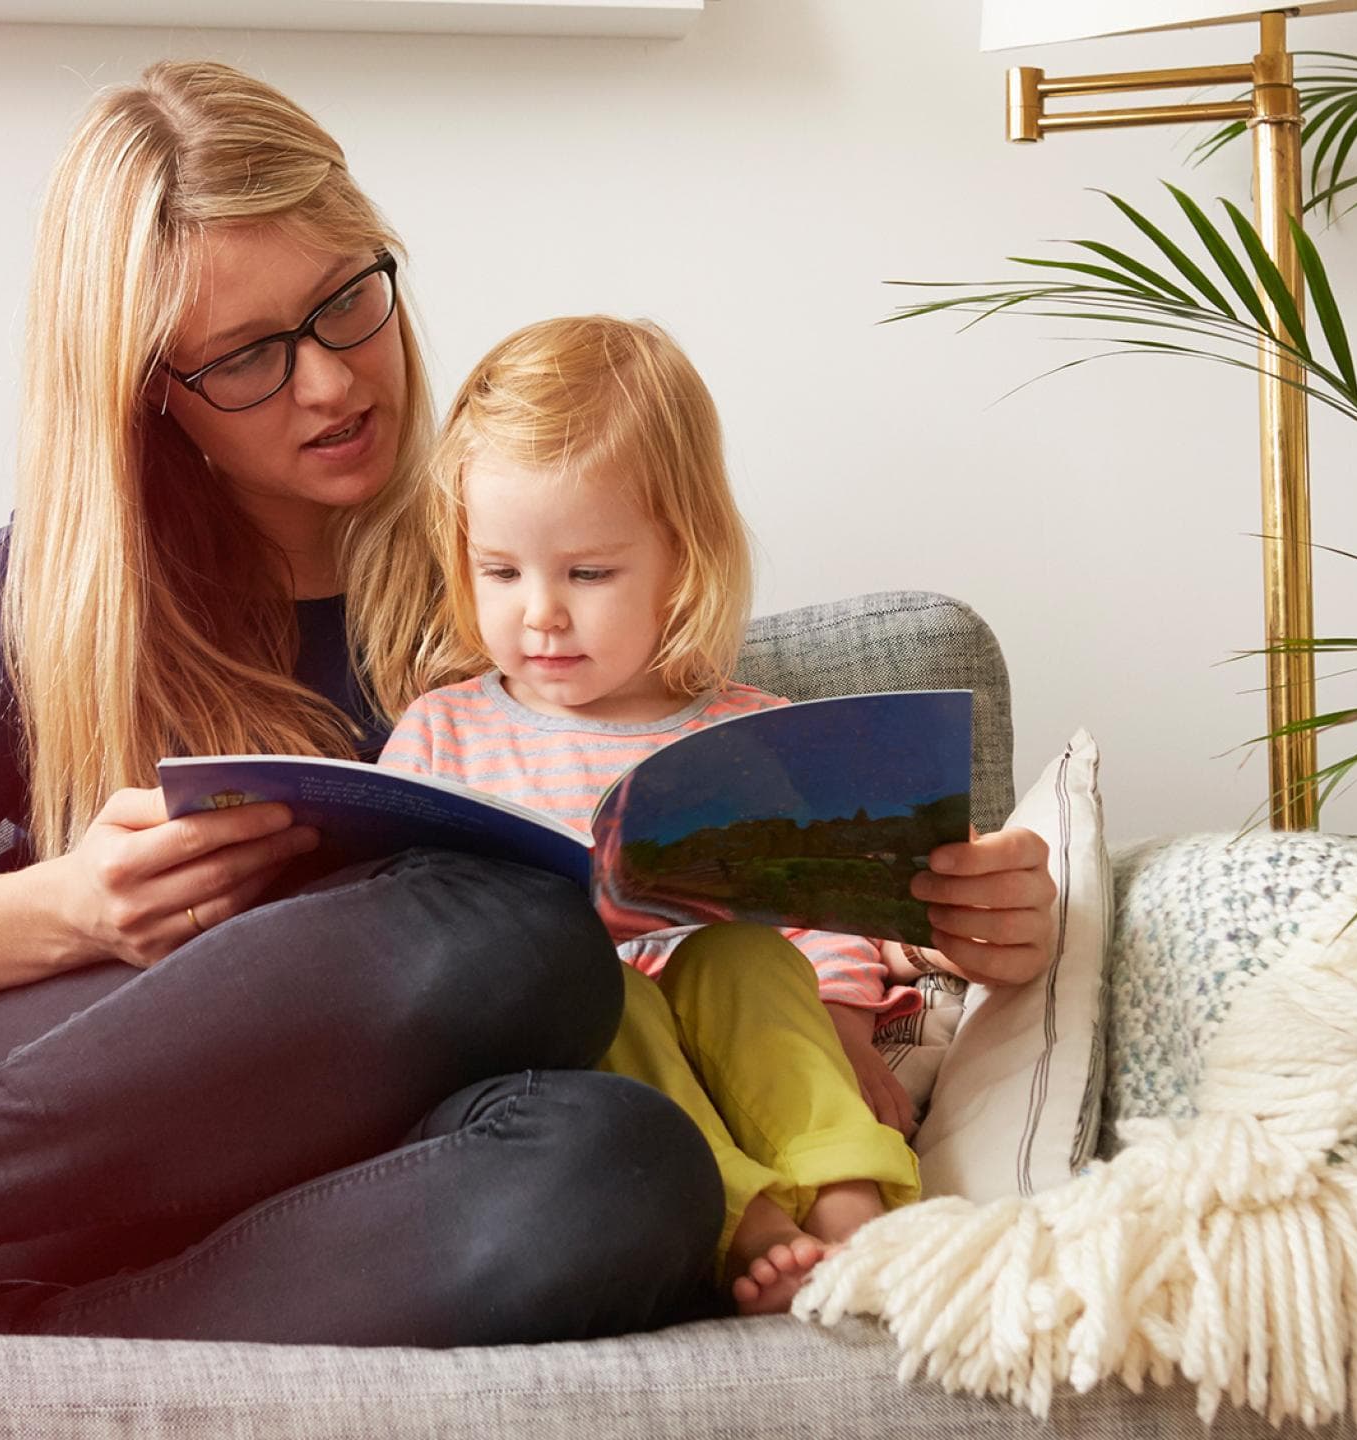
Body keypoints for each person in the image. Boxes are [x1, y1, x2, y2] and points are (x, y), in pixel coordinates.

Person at [0, 62, 1057, 1385]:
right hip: (32, 1111)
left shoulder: (499, 568)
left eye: (345, 304)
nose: (329, 381)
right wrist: (66, 908)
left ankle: (2, 1330)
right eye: (247, 355)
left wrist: (973, 913)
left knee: (624, 1172)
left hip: (340, 1186)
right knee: (509, 937)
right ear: (148, 390)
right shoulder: (53, 588)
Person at [380, 315, 967, 1312]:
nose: (541, 613)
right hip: (586, 1050)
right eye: (502, 571)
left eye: (589, 573)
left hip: (742, 1032)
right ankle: (746, 1224)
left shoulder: (754, 736)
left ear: (682, 559)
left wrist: (846, 1029)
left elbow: (821, 913)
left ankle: (846, 1197)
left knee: (749, 955)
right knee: (608, 1000)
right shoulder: (441, 734)